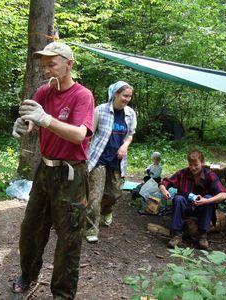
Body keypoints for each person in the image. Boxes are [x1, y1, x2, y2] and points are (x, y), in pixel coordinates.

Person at [11, 42, 94, 299]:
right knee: (31, 229)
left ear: (69, 64)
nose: (46, 70)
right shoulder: (43, 92)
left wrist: (46, 119)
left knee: (69, 237)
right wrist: (23, 126)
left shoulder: (82, 95)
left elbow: (80, 134)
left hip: (71, 174)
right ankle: (28, 276)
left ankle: (62, 294)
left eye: (52, 64)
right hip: (44, 171)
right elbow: (31, 123)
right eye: (44, 65)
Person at [85, 81, 137, 243]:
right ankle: (91, 229)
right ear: (115, 94)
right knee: (94, 197)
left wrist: (125, 146)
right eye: (124, 95)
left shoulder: (130, 113)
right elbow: (89, 134)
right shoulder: (100, 110)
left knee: (115, 193)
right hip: (98, 158)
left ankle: (107, 209)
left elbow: (131, 133)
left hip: (118, 159)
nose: (127, 99)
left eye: (129, 96)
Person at [159, 149, 226, 250]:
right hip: (186, 208)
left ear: (202, 163)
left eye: (196, 165)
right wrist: (164, 191)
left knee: (209, 198)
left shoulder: (210, 175)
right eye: (191, 165)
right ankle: (176, 234)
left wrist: (205, 200)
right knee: (178, 198)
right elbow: (164, 183)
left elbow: (223, 195)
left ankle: (202, 236)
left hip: (202, 209)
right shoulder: (183, 173)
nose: (193, 168)